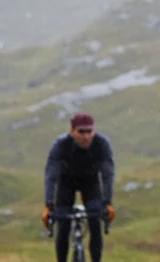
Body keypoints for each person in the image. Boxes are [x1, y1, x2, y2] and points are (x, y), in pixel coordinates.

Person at [42, 112, 116, 262]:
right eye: (81, 132)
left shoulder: (101, 144)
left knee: (95, 224)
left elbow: (107, 173)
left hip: (91, 184)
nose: (86, 136)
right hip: (66, 184)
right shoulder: (60, 145)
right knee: (63, 228)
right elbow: (51, 175)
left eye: (89, 131)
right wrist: (49, 205)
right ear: (72, 131)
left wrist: (107, 202)